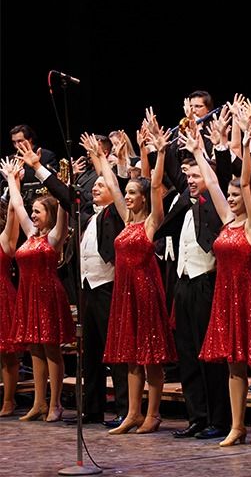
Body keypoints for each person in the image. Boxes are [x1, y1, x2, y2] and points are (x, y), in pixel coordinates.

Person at [16, 137, 130, 426]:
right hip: (87, 287)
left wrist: (102, 163)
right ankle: (90, 408)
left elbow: (116, 187)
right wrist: (39, 168)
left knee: (112, 349)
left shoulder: (116, 214)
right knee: (88, 351)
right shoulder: (89, 215)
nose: (95, 188)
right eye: (95, 185)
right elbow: (64, 195)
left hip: (108, 285)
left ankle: (122, 409)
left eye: (100, 186)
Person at [183, 126, 251, 447]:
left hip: (248, 295)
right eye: (231, 195)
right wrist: (198, 151)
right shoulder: (226, 221)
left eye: (237, 195)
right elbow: (210, 183)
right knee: (233, 365)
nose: (233, 199)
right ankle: (237, 427)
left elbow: (249, 182)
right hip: (224, 298)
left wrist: (248, 149)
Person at [83, 121, 176, 435]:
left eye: (135, 192)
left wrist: (160, 152)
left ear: (144, 197)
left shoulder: (152, 222)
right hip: (124, 293)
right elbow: (110, 178)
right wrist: (98, 158)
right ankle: (133, 413)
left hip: (146, 291)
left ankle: (153, 413)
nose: (130, 195)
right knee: (132, 355)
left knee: (151, 355)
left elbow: (157, 183)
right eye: (128, 193)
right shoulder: (125, 220)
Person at [153, 108, 231, 441]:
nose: (191, 179)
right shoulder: (184, 202)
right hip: (183, 284)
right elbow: (167, 177)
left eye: (197, 175)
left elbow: (222, 177)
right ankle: (197, 416)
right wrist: (161, 149)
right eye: (190, 176)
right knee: (186, 353)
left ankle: (219, 418)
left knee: (208, 354)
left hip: (206, 283)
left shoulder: (215, 201)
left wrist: (215, 148)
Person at [2, 158, 73, 423]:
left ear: (50, 215)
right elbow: (17, 205)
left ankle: (55, 404)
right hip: (28, 296)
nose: (33, 215)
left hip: (47, 296)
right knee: (34, 349)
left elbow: (65, 206)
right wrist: (12, 179)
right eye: (33, 211)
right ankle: (38, 403)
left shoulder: (55, 236)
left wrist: (62, 184)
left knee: (51, 349)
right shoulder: (30, 233)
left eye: (38, 212)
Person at [0, 186, 21, 417]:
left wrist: (13, 183)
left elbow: (14, 214)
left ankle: (9, 399)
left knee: (7, 354)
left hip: (3, 296)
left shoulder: (4, 239)